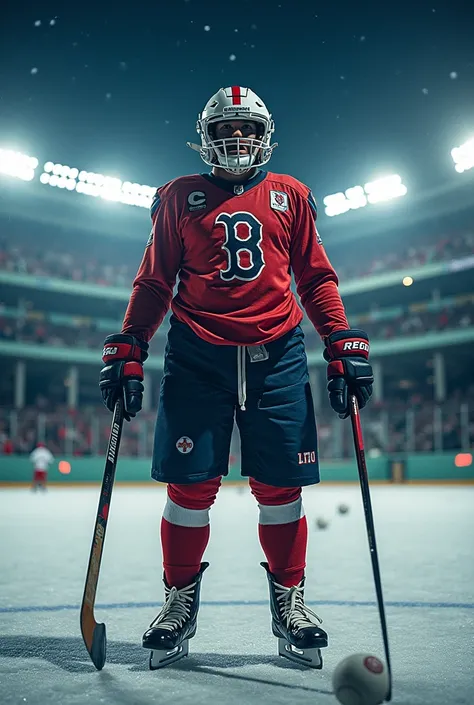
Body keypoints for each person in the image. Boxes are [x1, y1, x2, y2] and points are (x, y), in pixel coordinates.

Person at [99, 86, 374, 670]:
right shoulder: (179, 196)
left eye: (247, 129)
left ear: (264, 135)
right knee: (190, 488)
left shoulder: (290, 195)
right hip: (199, 357)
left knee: (281, 488)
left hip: (277, 355)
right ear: (208, 135)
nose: (237, 139)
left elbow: (316, 278)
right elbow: (154, 282)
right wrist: (130, 344)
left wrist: (341, 342)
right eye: (226, 128)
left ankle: (290, 602)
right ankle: (179, 601)